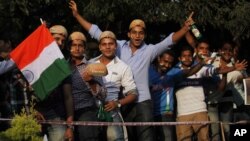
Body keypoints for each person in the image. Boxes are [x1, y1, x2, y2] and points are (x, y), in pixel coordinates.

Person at [69, 1, 193, 140]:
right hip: (123, 101)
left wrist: (185, 28)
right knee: (130, 136)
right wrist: (77, 15)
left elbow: (169, 41)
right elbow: (97, 32)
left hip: (143, 100)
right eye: (134, 32)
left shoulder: (150, 50)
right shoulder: (118, 46)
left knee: (146, 136)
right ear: (129, 34)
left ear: (144, 35)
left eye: (141, 33)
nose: (137, 36)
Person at [174, 46, 246, 141]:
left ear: (193, 56)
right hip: (182, 114)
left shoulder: (202, 69)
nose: (187, 58)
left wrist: (233, 68)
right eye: (184, 56)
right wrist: (202, 63)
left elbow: (217, 71)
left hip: (200, 111)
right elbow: (187, 73)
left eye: (189, 56)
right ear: (179, 58)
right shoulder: (174, 71)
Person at [149, 49, 209, 141]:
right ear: (158, 58)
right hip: (150, 114)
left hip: (166, 114)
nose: (167, 65)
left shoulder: (173, 73)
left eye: (170, 63)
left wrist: (201, 63)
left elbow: (188, 72)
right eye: (165, 61)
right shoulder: (148, 71)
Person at [89, 31, 138, 141]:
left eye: (110, 44)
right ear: (100, 47)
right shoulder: (90, 63)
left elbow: (133, 93)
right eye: (104, 44)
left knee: (116, 138)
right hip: (91, 109)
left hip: (111, 109)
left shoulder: (123, 67)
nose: (107, 47)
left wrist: (117, 103)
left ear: (115, 46)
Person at [35, 25, 74, 141]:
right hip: (33, 113)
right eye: (56, 39)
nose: (60, 43)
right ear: (48, 38)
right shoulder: (33, 59)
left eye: (63, 41)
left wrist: (70, 126)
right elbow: (24, 90)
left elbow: (68, 97)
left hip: (56, 114)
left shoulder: (63, 65)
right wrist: (32, 111)